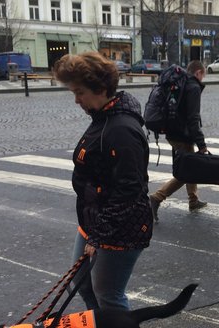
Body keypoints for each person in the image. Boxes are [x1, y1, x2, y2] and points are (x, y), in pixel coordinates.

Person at [52, 52, 153, 310]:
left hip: (119, 230)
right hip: (94, 221)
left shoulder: (121, 130)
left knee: (109, 295)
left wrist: (98, 237)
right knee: (82, 284)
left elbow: (129, 191)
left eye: (80, 92)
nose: (76, 100)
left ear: (101, 88)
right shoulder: (104, 117)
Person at [149, 60, 209, 221]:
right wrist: (202, 145)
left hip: (172, 132)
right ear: (198, 73)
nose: (203, 78)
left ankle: (193, 200)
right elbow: (193, 118)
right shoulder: (193, 87)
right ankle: (156, 198)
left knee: (188, 166)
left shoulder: (181, 85)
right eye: (203, 74)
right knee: (186, 171)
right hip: (182, 136)